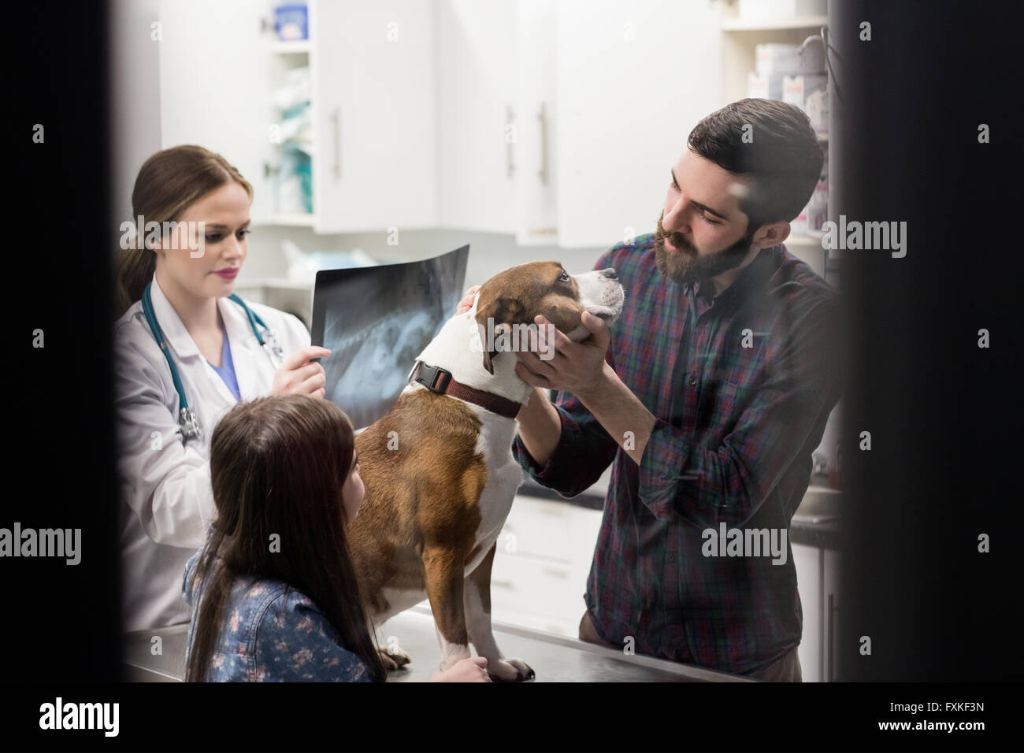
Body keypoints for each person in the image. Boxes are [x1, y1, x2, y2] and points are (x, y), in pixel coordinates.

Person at [509, 99, 844, 681]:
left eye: (707, 216)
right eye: (674, 188)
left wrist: (596, 383)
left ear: (769, 232)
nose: (671, 220)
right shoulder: (627, 272)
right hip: (611, 630)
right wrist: (524, 383)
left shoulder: (813, 322)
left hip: (736, 656)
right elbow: (572, 463)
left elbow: (727, 498)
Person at [114, 145, 330, 632]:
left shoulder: (283, 334)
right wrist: (273, 423)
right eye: (213, 236)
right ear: (157, 237)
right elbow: (171, 509)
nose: (235, 251)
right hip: (171, 627)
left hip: (267, 617)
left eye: (241, 232)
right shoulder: (129, 359)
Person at [183, 395, 490, 682]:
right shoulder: (284, 616)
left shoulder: (205, 567)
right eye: (356, 468)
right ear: (321, 497)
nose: (365, 479)